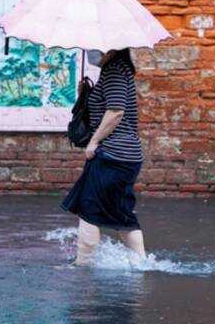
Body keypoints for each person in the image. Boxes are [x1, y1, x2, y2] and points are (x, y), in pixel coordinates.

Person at [60, 47, 146, 266]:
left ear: (112, 48)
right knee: (122, 215)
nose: (91, 51)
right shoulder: (118, 70)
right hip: (126, 156)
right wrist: (85, 95)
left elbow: (116, 111)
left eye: (95, 47)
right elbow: (105, 108)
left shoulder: (115, 70)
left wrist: (94, 141)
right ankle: (143, 264)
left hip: (113, 155)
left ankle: (82, 265)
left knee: (88, 210)